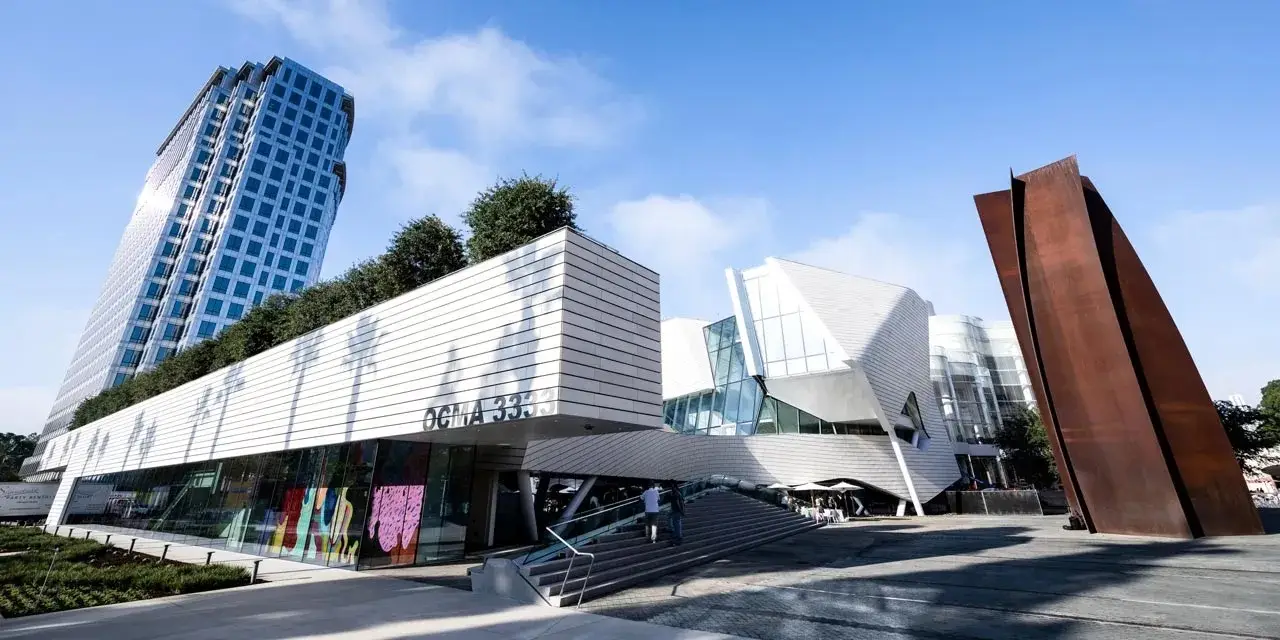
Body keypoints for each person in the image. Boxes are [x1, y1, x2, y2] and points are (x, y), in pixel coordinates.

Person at [667, 481, 685, 546]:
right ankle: (677, 536)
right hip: (676, 511)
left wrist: (681, 511)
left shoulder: (676, 494)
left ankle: (679, 538)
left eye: (672, 487)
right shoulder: (677, 493)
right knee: (676, 524)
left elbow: (679, 503)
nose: (671, 488)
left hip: (676, 511)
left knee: (677, 524)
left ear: (675, 487)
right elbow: (682, 502)